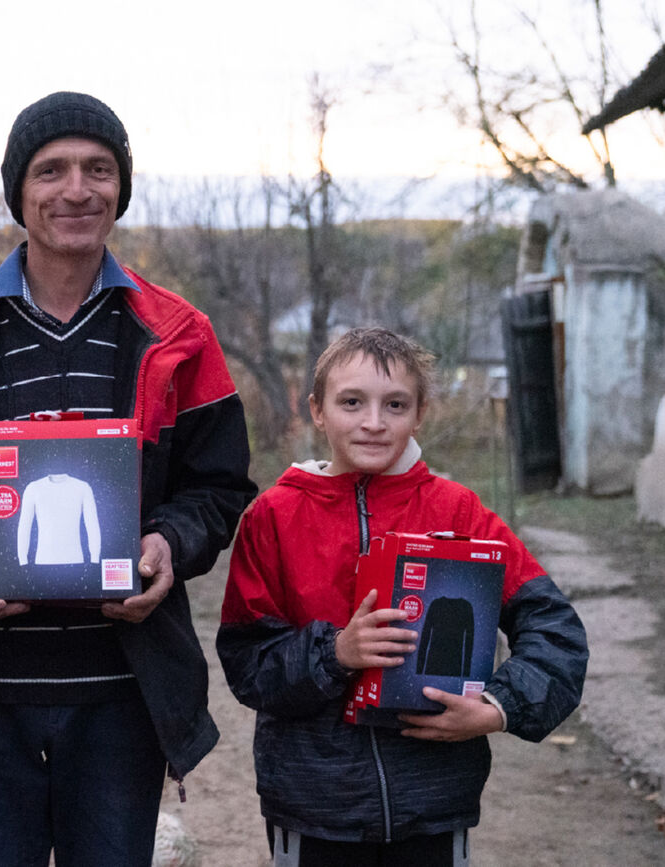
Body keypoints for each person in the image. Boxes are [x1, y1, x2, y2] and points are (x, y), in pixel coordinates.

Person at [0, 91, 257, 866]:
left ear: (121, 187)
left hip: (122, 690)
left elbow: (219, 489)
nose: (76, 189)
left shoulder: (179, 333)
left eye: (97, 169)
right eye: (51, 171)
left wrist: (167, 545)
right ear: (19, 190)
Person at [216, 327, 588, 867]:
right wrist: (335, 654)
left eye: (395, 404)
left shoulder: (460, 512)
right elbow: (248, 664)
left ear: (420, 414)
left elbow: (555, 628)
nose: (373, 422)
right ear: (317, 410)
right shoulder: (274, 517)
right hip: (316, 806)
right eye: (351, 402)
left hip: (435, 800)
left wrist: (498, 707)